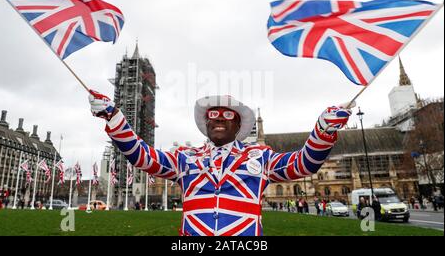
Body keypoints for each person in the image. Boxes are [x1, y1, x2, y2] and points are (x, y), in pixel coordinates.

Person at [89, 91, 353, 236]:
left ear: (238, 125)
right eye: (213, 115)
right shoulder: (185, 158)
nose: (218, 119)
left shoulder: (260, 157)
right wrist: (114, 118)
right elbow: (142, 156)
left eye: (227, 115)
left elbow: (303, 165)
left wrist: (322, 131)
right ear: (206, 124)